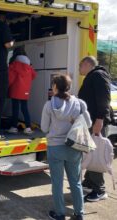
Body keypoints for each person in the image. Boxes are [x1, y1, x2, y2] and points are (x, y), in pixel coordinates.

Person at [41, 74, 91, 220]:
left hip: (55, 147)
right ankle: (79, 214)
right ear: (68, 87)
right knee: (75, 182)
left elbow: (44, 127)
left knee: (57, 183)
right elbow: (87, 124)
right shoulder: (80, 103)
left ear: (55, 87)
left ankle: (60, 214)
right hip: (74, 146)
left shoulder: (49, 105)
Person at [78, 56, 111, 202]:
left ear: (86, 64)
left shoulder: (98, 75)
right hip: (91, 122)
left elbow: (104, 98)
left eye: (80, 66)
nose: (79, 69)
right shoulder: (93, 76)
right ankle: (90, 182)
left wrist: (100, 119)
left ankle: (100, 189)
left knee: (96, 153)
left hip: (96, 122)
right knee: (90, 152)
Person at [7, 47, 36, 135]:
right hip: (25, 90)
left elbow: (10, 78)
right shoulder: (29, 66)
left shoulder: (14, 64)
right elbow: (34, 75)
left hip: (16, 90)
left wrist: (6, 86)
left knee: (15, 108)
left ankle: (14, 127)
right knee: (25, 108)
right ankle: (28, 128)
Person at [0, 12, 14, 141]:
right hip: (0, 69)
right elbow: (8, 44)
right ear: (3, 17)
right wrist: (14, 42)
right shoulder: (2, 25)